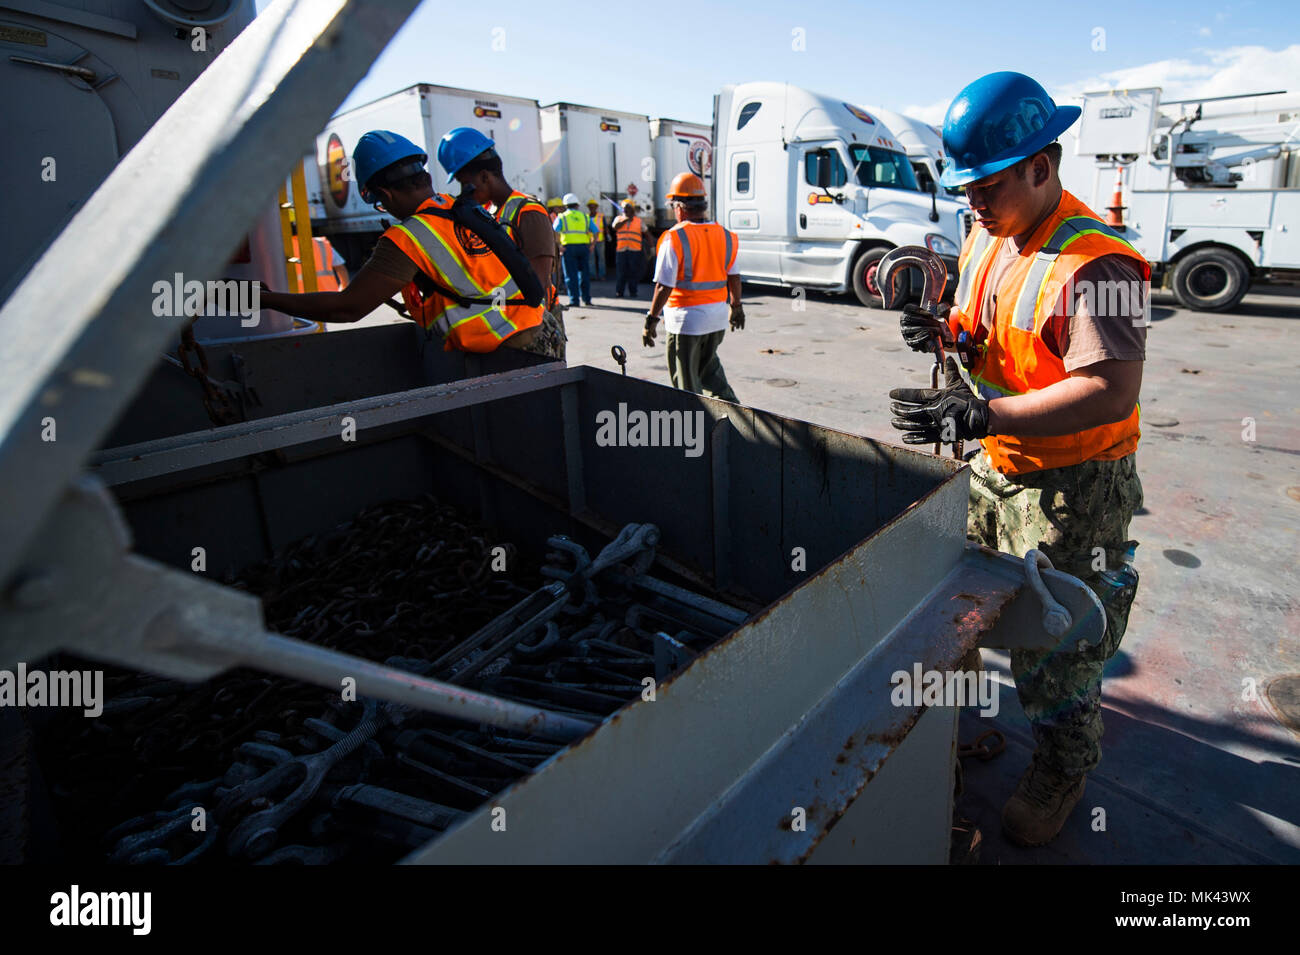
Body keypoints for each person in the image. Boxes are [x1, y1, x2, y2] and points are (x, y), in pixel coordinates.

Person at [886, 72, 1148, 847]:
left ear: (1044, 165)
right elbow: (994, 326)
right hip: (1000, 465)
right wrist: (946, 331)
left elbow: (1108, 391)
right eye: (965, 188)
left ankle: (1063, 765)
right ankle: (955, 729)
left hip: (1074, 489)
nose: (973, 202)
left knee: (1057, 641)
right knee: (963, 607)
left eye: (988, 186)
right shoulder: (990, 230)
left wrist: (982, 410)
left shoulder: (1098, 264)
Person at [257, 130, 543, 352]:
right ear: (427, 177)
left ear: (386, 194)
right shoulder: (459, 208)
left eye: (381, 203)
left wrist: (266, 300)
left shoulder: (407, 237)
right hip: (535, 331)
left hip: (500, 354)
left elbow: (348, 307)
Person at [437, 126, 566, 360]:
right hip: (507, 324)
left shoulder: (528, 212)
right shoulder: (489, 213)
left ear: (485, 176)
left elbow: (537, 288)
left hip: (535, 328)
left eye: (465, 184)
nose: (462, 193)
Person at [642, 172, 743, 402]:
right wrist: (736, 306)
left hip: (686, 322)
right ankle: (735, 416)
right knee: (710, 372)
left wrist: (651, 319)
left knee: (686, 385)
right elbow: (734, 277)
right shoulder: (726, 235)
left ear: (680, 206)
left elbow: (663, 286)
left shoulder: (675, 237)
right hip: (716, 319)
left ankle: (694, 430)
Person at [553, 193, 596, 307]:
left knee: (571, 275)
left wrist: (558, 245)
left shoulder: (562, 217)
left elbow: (554, 231)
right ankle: (587, 299)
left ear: (565, 205)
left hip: (568, 248)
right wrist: (592, 244)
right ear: (577, 205)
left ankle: (574, 301)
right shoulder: (585, 216)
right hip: (583, 247)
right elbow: (595, 231)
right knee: (584, 274)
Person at [612, 199, 648, 298]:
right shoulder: (618, 219)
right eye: (624, 209)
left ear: (632, 209)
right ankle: (619, 292)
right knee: (621, 272)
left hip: (634, 250)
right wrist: (626, 219)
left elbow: (646, 233)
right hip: (621, 250)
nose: (625, 211)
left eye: (627, 209)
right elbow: (615, 227)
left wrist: (652, 246)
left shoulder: (639, 221)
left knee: (633, 272)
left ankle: (633, 291)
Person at [586, 198, 607, 281]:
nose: (592, 207)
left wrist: (608, 235)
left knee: (601, 258)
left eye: (593, 206)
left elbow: (605, 227)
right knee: (591, 259)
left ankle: (602, 275)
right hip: (590, 240)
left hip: (600, 240)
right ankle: (592, 275)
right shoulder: (586, 217)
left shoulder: (601, 216)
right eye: (590, 206)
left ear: (596, 207)